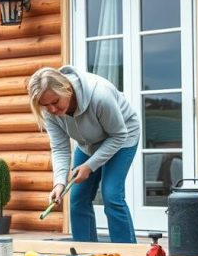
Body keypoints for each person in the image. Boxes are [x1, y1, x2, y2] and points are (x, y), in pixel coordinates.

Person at [27, 66, 140, 243]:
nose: (52, 109)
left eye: (55, 102)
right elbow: (60, 148)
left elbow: (119, 135)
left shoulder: (100, 96)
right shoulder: (50, 112)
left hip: (122, 137)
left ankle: (129, 254)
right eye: (45, 105)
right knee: (78, 197)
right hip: (88, 144)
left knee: (111, 195)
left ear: (67, 88)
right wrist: (59, 183)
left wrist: (90, 166)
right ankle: (85, 251)